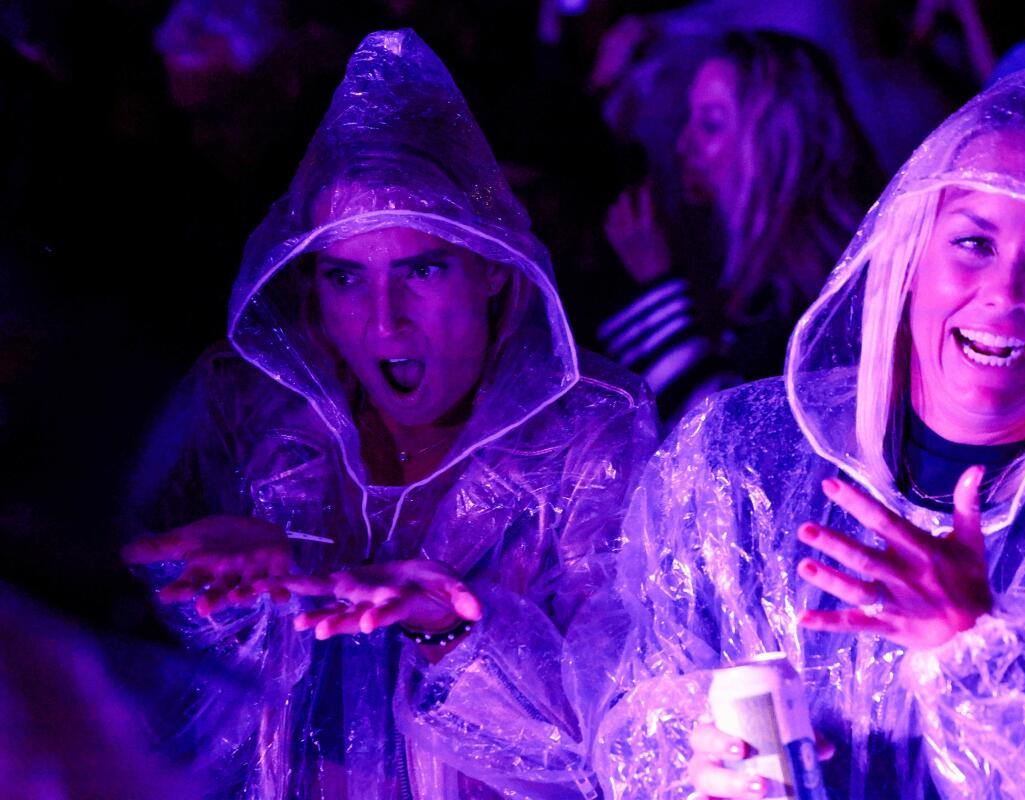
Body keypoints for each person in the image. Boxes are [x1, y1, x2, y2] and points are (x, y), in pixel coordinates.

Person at [591, 66, 1025, 799]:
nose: (1008, 294)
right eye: (974, 243)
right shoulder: (738, 459)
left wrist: (978, 656)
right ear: (909, 253)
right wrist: (689, 761)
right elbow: (632, 712)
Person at [125, 30, 657, 798]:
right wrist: (212, 598)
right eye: (346, 277)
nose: (385, 321)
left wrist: (453, 632)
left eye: (423, 269)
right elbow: (134, 696)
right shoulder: (254, 421)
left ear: (494, 276)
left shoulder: (587, 437)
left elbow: (620, 735)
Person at [595, 31, 879, 422]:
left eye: (710, 124)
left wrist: (656, 284)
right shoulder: (726, 262)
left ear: (778, 144)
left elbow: (730, 441)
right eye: (688, 120)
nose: (684, 145)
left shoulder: (816, 293)